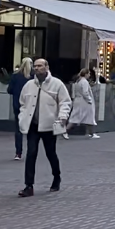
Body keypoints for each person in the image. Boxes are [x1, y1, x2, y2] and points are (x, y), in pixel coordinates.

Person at [17, 58, 71, 197]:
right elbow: (22, 103)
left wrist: (62, 117)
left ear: (47, 67)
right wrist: (22, 118)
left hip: (49, 126)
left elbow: (65, 102)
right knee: (31, 153)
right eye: (35, 66)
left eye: (40, 66)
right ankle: (29, 185)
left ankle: (56, 177)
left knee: (50, 153)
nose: (37, 68)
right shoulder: (29, 85)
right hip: (33, 125)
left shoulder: (57, 84)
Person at [8, 58, 33, 160]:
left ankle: (18, 153)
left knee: (18, 130)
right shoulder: (32, 77)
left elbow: (9, 90)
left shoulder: (15, 76)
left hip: (17, 105)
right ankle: (31, 151)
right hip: (30, 106)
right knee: (31, 130)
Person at [65, 69, 99, 139]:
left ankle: (91, 133)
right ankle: (91, 133)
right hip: (84, 102)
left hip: (78, 100)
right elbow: (85, 92)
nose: (89, 75)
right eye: (89, 74)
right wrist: (89, 100)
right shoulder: (84, 82)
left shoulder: (78, 81)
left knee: (76, 117)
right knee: (88, 117)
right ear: (86, 74)